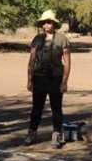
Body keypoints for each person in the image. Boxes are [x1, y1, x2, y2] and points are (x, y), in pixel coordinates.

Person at [23, 10, 71, 148]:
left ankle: (56, 134)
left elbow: (67, 61)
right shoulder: (37, 39)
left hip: (56, 78)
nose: (46, 25)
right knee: (36, 108)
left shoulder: (62, 39)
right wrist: (29, 79)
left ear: (54, 24)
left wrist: (64, 81)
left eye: (49, 22)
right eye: (44, 22)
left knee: (56, 108)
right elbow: (31, 60)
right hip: (39, 78)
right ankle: (32, 133)